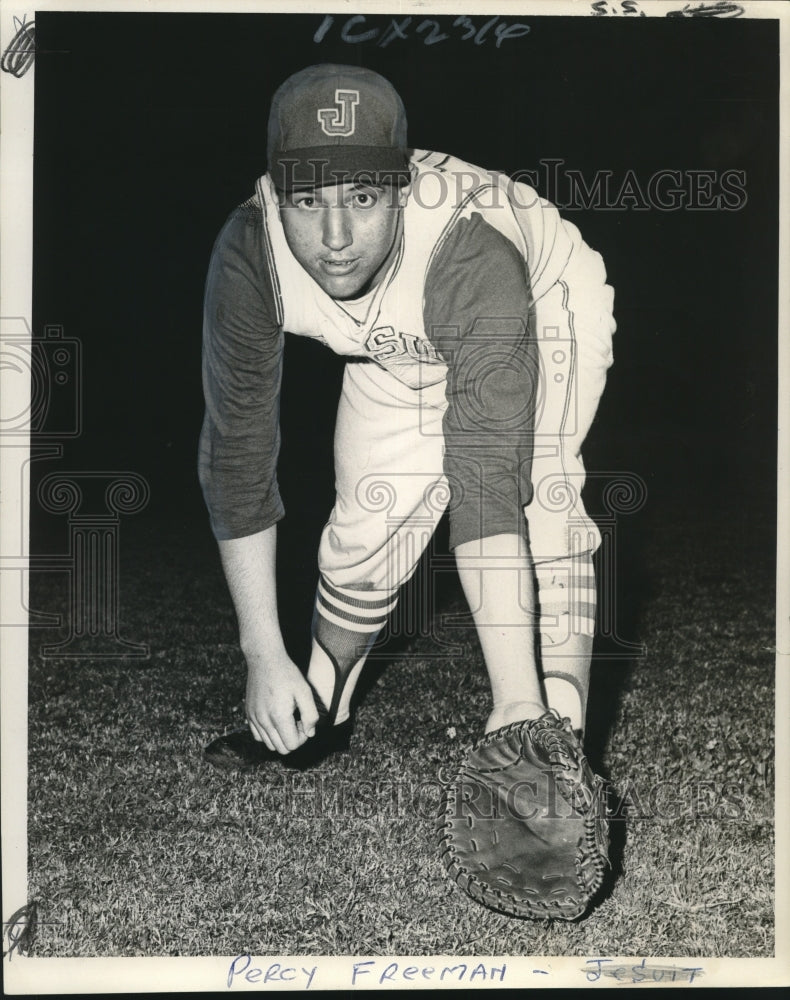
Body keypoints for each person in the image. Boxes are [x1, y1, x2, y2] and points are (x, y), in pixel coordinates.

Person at [198, 64, 615, 770]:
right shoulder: (249, 253)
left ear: (403, 184)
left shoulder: (468, 245)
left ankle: (554, 736)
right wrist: (261, 652)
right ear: (273, 192)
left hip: (541, 301)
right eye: (306, 199)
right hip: (397, 343)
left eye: (362, 195)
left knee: (540, 493)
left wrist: (510, 701)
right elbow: (238, 455)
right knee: (365, 522)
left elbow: (486, 483)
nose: (334, 236)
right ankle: (318, 708)